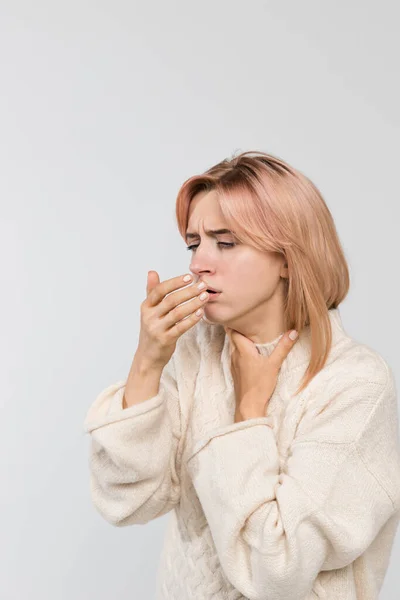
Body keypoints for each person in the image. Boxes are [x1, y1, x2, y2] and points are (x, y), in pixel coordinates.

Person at [83, 150, 400, 600]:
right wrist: (148, 362)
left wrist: (248, 412)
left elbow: (277, 571)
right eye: (194, 243)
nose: (198, 264)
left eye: (225, 243)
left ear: (289, 258)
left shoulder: (354, 385)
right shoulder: (196, 353)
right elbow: (126, 501)